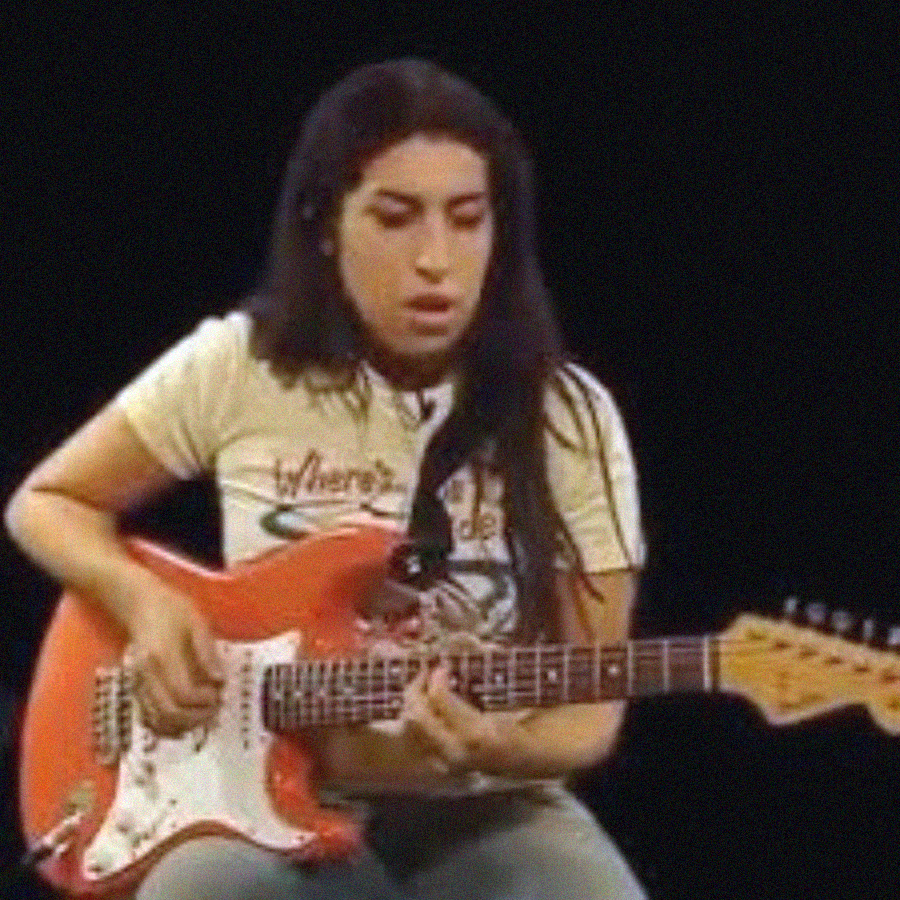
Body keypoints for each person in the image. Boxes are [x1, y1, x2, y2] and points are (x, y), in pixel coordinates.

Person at [6, 59, 647, 899]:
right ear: (323, 224)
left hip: (484, 806)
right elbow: (46, 502)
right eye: (393, 217)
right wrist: (146, 603)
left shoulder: (568, 415)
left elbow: (594, 702)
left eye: (467, 220)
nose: (435, 260)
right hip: (250, 796)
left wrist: (507, 749)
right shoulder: (239, 366)